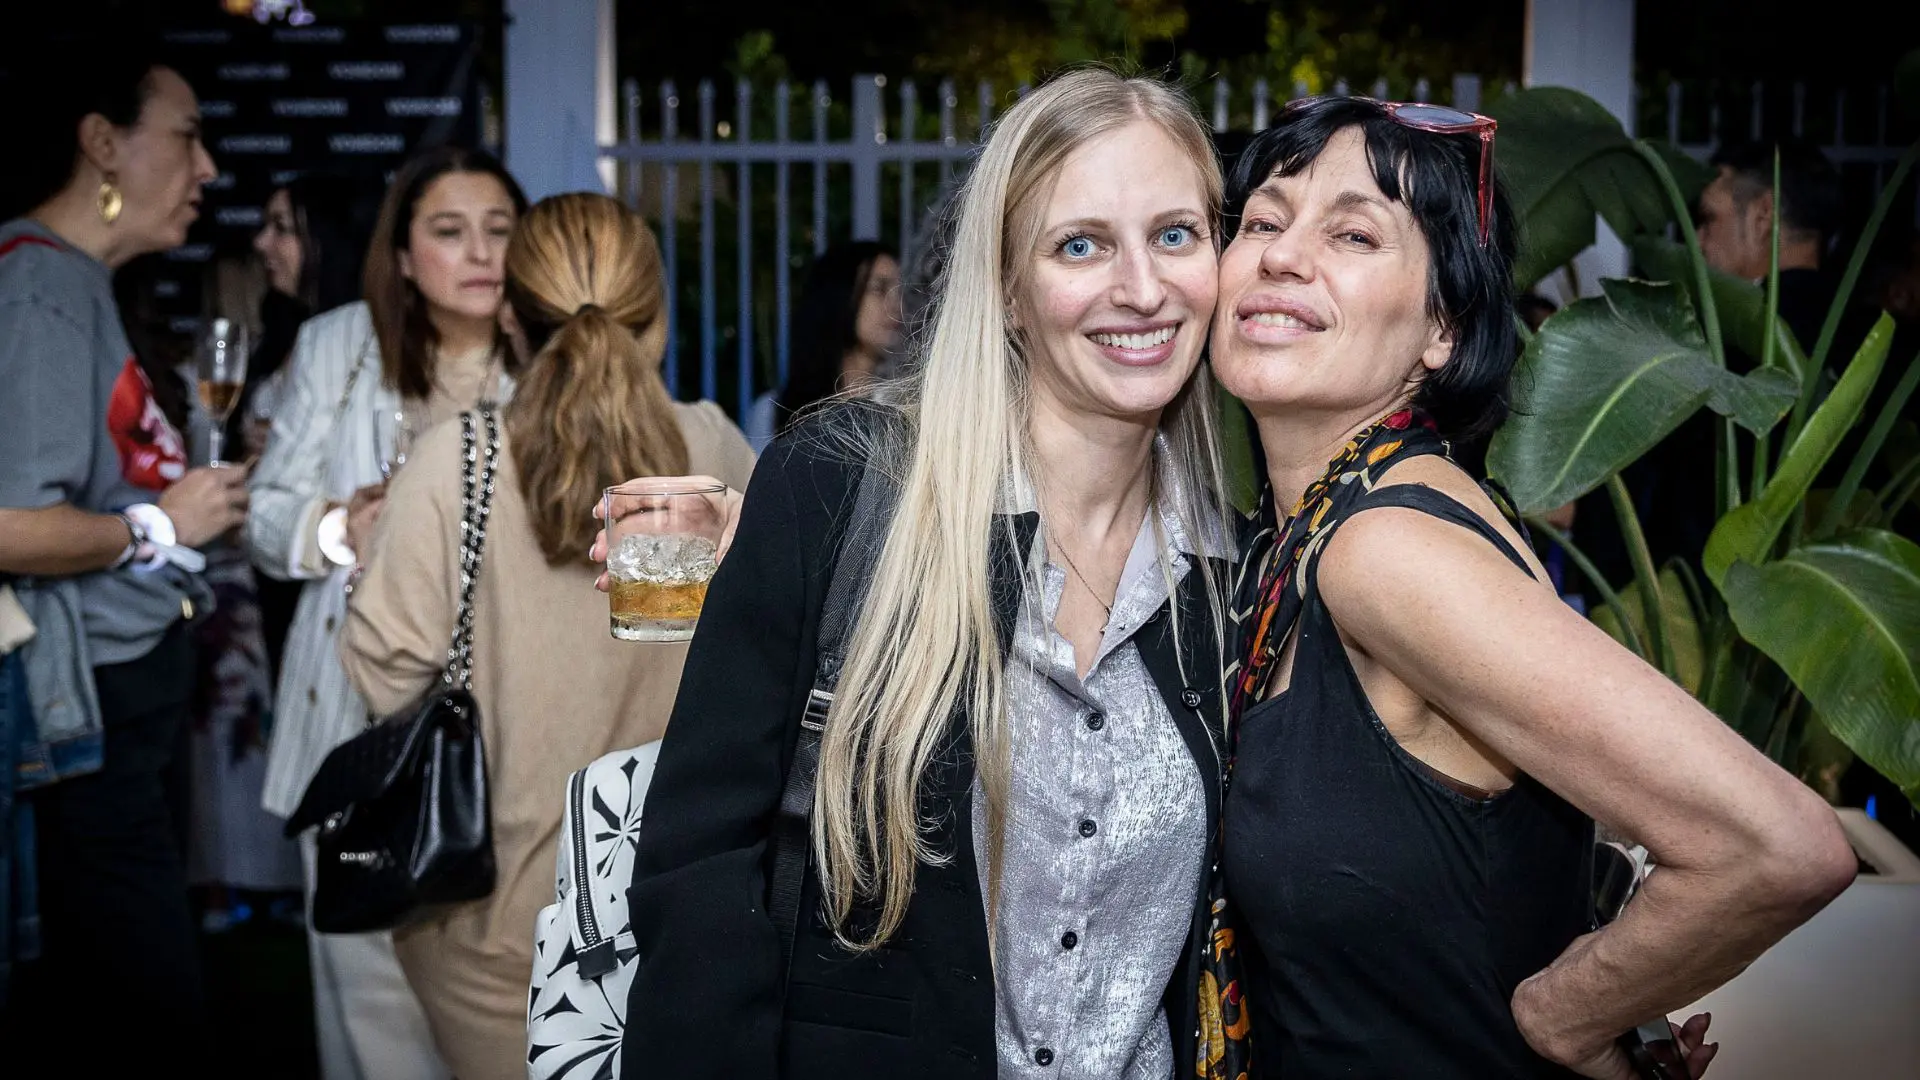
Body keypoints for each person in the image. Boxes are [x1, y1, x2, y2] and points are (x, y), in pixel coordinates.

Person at [1210, 95, 1857, 1077]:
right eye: (1263, 221)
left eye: (1353, 234)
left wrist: (1565, 1015)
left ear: (1442, 326)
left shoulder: (1388, 547)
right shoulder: (1320, 523)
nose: (1283, 256)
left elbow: (1778, 844)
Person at [622, 68, 1234, 1077]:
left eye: (1175, 234)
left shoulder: (1233, 572)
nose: (1142, 287)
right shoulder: (839, 488)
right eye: (1081, 245)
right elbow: (700, 866)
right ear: (1008, 289)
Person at [338, 191, 756, 1080]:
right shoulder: (715, 450)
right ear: (658, 318)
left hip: (495, 920)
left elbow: (386, 677)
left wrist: (373, 560)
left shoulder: (454, 463)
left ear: (510, 317)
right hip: (677, 900)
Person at [246, 143, 526, 1080]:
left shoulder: (549, 358)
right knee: (370, 1017)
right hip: (352, 717)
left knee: (502, 1011)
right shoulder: (339, 346)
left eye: (499, 229)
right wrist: (341, 528)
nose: (480, 252)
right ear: (402, 255)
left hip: (503, 720)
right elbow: (266, 513)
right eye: (450, 231)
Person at [0, 41, 248, 1058]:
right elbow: (9, 522)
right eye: (187, 138)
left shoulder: (75, 282)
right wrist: (161, 525)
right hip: (89, 722)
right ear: (103, 143)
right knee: (141, 1007)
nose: (207, 169)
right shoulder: (41, 285)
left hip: (123, 704)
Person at [246, 173, 377, 685]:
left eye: (283, 229)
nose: (262, 243)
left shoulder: (360, 346)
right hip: (279, 562)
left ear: (327, 239)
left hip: (336, 587)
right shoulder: (284, 330)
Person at [742, 240, 904, 450]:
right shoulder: (772, 412)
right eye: (879, 289)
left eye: (900, 292)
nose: (896, 305)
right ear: (840, 295)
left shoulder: (901, 407)